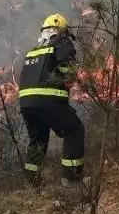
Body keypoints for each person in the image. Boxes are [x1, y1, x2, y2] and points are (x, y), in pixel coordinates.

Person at [17, 13, 85, 185]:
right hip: (48, 100)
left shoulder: (33, 52)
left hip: (27, 104)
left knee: (37, 141)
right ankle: (72, 179)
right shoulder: (61, 42)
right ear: (62, 31)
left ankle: (32, 184)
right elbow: (67, 74)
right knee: (74, 131)